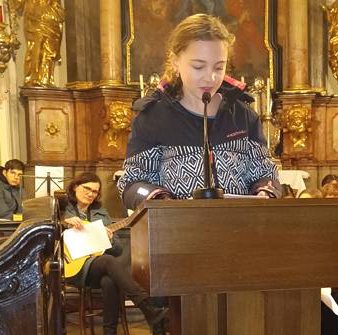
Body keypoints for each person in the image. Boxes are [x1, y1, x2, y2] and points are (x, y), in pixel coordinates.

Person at [119, 14, 279, 209]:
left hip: (238, 225)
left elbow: (265, 174)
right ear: (175, 62)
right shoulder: (152, 117)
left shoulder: (243, 116)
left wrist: (264, 192)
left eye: (219, 67)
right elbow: (132, 183)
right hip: (176, 226)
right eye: (198, 66)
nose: (209, 77)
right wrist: (161, 201)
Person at [65, 173, 168, 335]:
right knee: (108, 263)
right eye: (86, 188)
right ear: (75, 187)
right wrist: (63, 222)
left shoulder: (101, 213)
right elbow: (44, 229)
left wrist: (110, 241)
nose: (90, 194)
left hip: (96, 267)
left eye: (94, 191)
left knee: (110, 280)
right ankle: (146, 306)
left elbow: (118, 250)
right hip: (71, 266)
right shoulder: (61, 209)